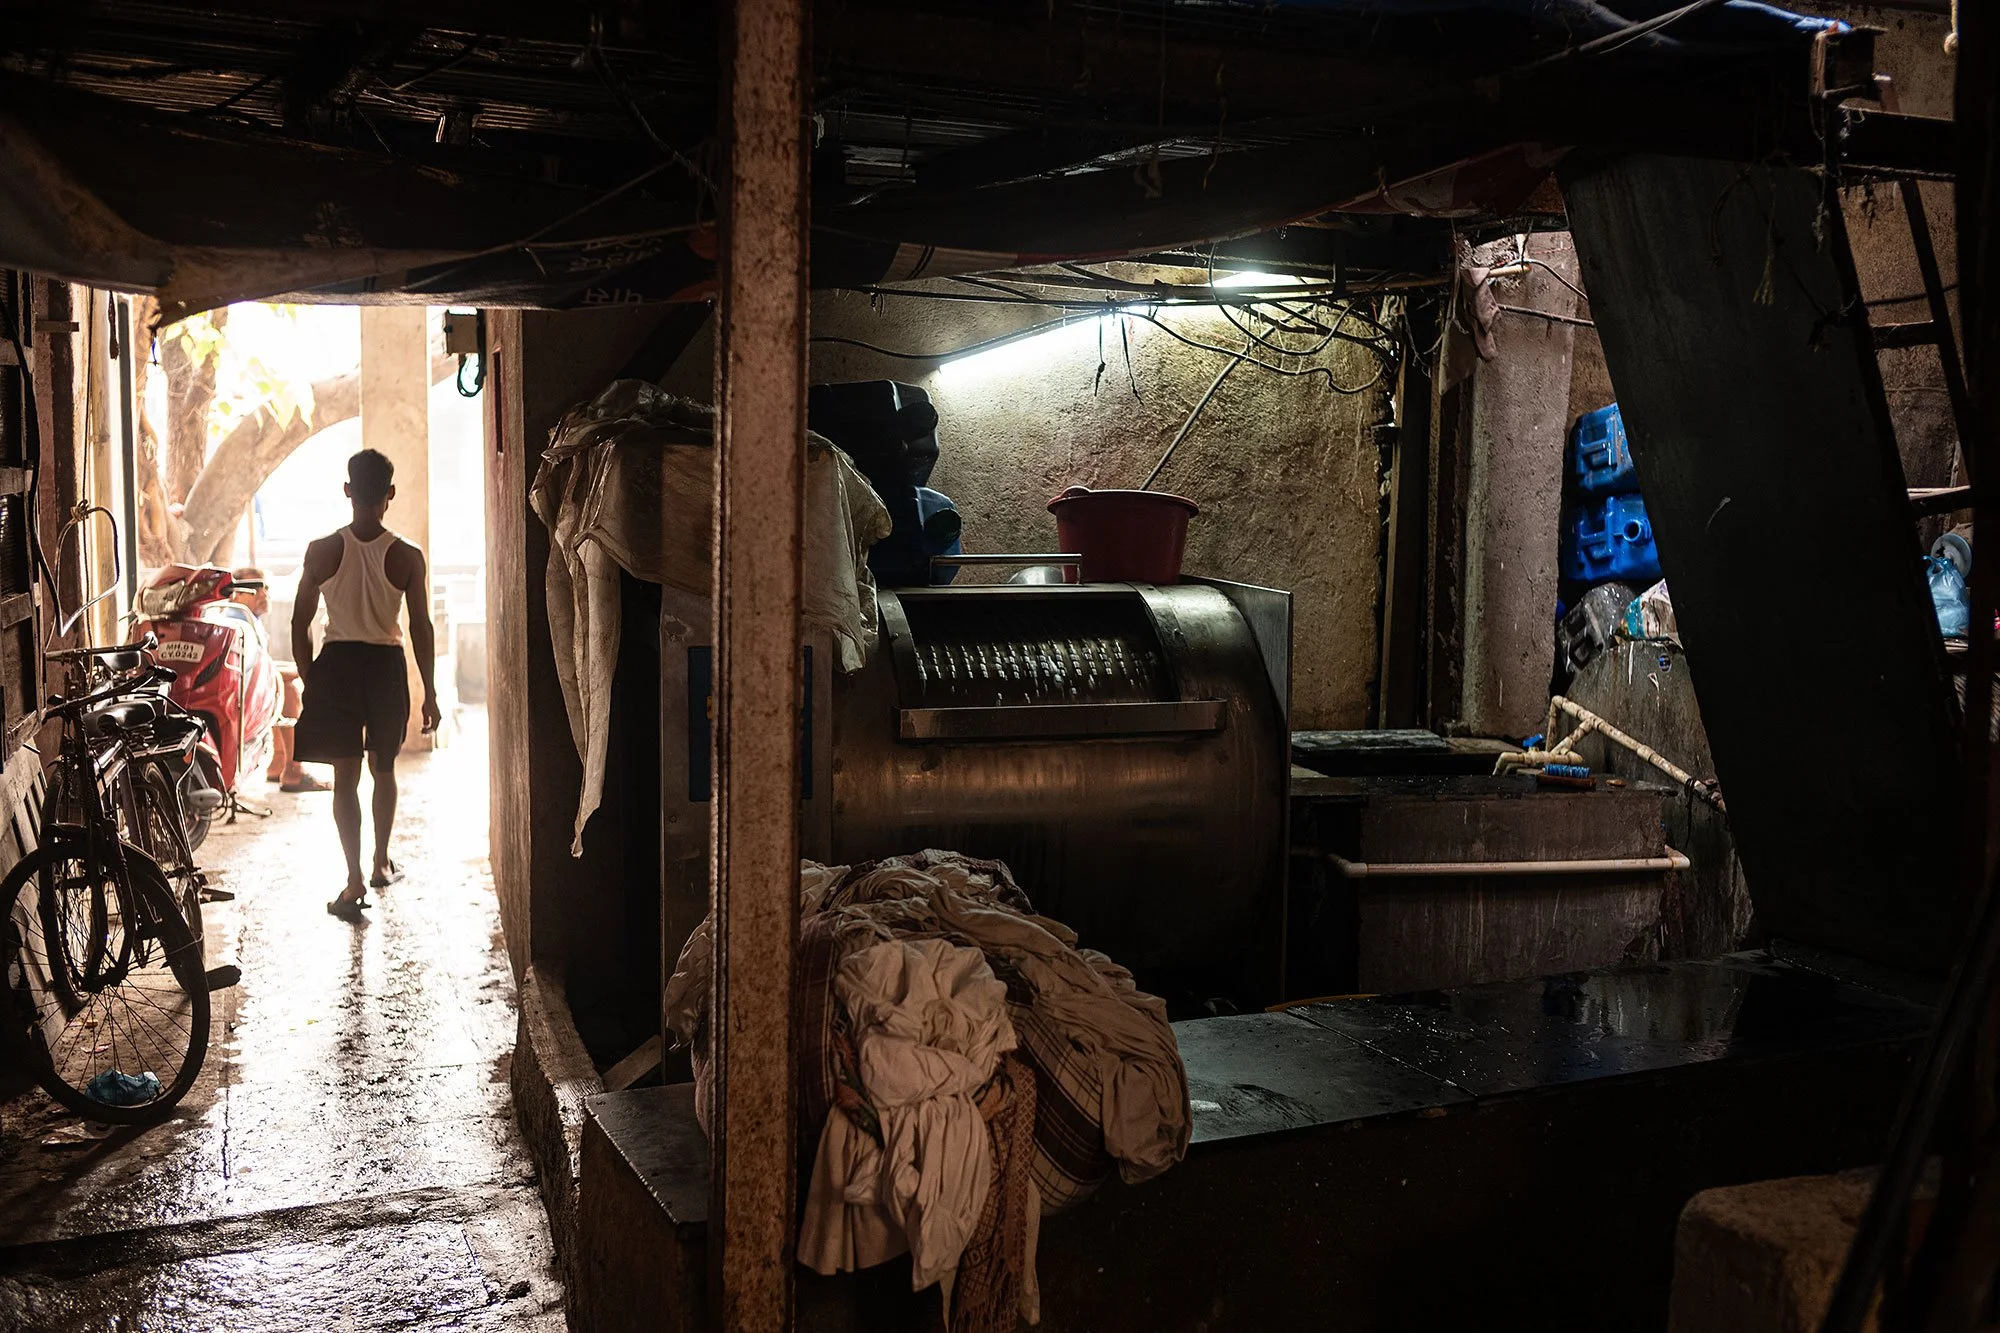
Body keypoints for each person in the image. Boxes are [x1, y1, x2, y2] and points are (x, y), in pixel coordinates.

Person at [291, 449, 441, 919]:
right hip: (384, 667)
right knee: (384, 768)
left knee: (345, 776)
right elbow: (421, 626)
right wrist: (430, 691)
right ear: (389, 493)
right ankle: (380, 863)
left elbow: (299, 622)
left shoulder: (321, 550)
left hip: (337, 665)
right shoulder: (408, 556)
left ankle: (353, 879)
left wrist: (311, 677)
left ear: (348, 490)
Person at [230, 565, 329, 794]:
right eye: (255, 588)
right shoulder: (238, 622)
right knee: (289, 689)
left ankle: (278, 763)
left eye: (265, 587)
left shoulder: (248, 619)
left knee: (286, 681)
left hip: (247, 691)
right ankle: (293, 769)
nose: (264, 593)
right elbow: (251, 671)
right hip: (240, 698)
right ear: (236, 593)